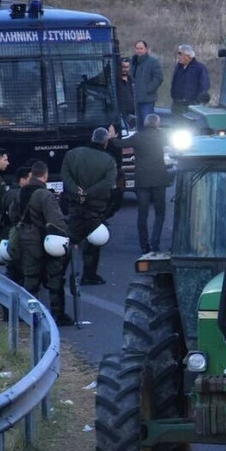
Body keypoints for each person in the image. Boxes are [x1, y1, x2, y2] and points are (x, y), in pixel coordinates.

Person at [15, 161, 73, 327]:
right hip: (44, 241)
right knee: (55, 277)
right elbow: (56, 221)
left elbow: (12, 215)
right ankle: (58, 314)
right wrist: (66, 235)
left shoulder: (19, 193)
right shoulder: (44, 195)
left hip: (25, 240)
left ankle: (30, 315)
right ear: (45, 175)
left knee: (30, 279)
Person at [62, 127, 117, 285]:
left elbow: (65, 174)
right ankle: (89, 275)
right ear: (105, 142)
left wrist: (76, 191)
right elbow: (107, 183)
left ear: (92, 138)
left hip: (75, 205)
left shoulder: (72, 154)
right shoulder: (108, 160)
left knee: (69, 240)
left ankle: (58, 274)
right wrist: (88, 193)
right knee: (93, 242)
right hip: (95, 207)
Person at [111, 113, 171, 253]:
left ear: (145, 123)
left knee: (142, 214)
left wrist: (112, 136)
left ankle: (144, 246)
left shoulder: (138, 137)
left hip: (142, 181)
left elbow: (119, 144)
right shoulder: (162, 136)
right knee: (160, 213)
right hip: (159, 179)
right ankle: (155, 243)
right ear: (157, 123)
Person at [2, 165, 31, 286]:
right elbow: (13, 216)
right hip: (17, 237)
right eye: (30, 178)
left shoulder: (9, 193)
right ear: (22, 180)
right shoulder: (18, 195)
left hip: (11, 235)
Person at [170, 44, 210, 115]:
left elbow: (204, 86)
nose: (178, 57)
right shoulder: (178, 67)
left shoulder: (199, 68)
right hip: (176, 104)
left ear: (187, 56)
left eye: (180, 54)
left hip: (191, 105)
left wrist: (197, 101)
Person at [130, 40, 163, 125]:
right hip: (134, 100)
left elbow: (158, 78)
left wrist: (147, 89)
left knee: (148, 124)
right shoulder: (132, 62)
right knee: (137, 125)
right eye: (137, 48)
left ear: (146, 49)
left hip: (147, 100)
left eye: (141, 48)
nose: (139, 50)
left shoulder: (153, 62)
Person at [116, 57, 136, 127]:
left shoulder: (133, 81)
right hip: (120, 116)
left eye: (127, 67)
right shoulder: (115, 82)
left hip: (133, 115)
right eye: (123, 67)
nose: (125, 69)